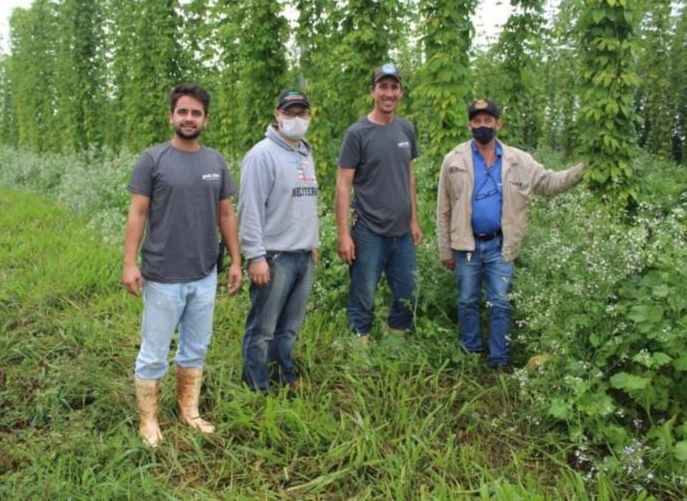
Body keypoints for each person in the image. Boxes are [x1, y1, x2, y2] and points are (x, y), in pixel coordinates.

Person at [122, 83, 242, 446]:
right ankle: (149, 419)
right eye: (183, 112)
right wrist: (130, 263)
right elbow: (138, 212)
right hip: (162, 275)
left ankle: (188, 410)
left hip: (204, 273)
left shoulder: (215, 162)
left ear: (206, 119)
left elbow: (225, 213)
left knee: (196, 347)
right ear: (171, 116)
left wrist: (236, 260)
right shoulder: (153, 160)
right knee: (154, 350)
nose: (189, 118)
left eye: (196, 113)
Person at [436, 98, 584, 369]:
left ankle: (499, 359)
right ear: (470, 124)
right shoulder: (454, 160)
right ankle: (470, 353)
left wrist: (583, 170)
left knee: (500, 303)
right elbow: (443, 208)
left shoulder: (519, 161)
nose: (482, 126)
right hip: (465, 245)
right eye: (477, 121)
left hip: (499, 247)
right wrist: (445, 250)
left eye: (488, 120)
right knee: (467, 301)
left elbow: (549, 182)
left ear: (498, 124)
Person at [335, 63, 423, 342]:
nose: (389, 93)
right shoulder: (357, 133)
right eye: (382, 87)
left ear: (401, 92)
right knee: (364, 292)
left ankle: (396, 341)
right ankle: (359, 343)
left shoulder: (406, 129)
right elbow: (343, 184)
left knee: (408, 290)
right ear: (372, 91)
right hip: (368, 230)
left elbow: (408, 175)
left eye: (394, 87)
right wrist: (344, 234)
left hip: (402, 233)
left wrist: (414, 220)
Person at [238, 89, 319, 392]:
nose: (296, 119)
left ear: (309, 116)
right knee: (263, 328)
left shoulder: (305, 152)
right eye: (290, 112)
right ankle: (256, 385)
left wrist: (312, 243)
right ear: (277, 114)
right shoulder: (261, 155)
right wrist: (256, 256)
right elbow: (250, 209)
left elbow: (303, 202)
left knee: (289, 328)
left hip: (302, 255)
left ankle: (282, 375)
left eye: (302, 113)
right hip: (275, 256)